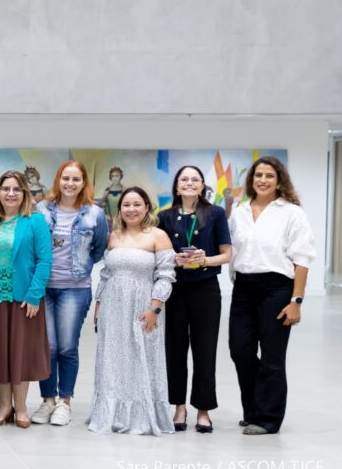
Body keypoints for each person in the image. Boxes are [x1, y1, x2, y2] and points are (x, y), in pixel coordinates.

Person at [228, 156, 314, 435]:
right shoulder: (239, 211)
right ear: (251, 179)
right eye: (258, 175)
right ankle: (254, 408)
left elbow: (302, 259)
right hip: (243, 287)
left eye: (269, 176)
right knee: (240, 350)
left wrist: (296, 301)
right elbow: (231, 250)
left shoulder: (292, 213)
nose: (262, 180)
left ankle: (267, 418)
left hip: (277, 288)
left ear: (279, 182)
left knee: (272, 356)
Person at [88, 187, 176, 435]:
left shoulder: (158, 236)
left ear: (147, 207)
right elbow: (106, 274)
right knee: (113, 359)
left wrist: (155, 307)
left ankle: (143, 415)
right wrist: (99, 304)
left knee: (142, 357)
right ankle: (111, 414)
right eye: (126, 205)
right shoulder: (114, 236)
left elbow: (166, 275)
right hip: (113, 307)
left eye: (137, 204)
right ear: (120, 209)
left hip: (144, 307)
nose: (131, 209)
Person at [31, 160, 109, 426]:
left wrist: (81, 267)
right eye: (66, 178)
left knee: (66, 346)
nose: (70, 183)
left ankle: (65, 402)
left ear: (84, 182)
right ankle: (47, 400)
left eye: (76, 179)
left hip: (75, 289)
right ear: (58, 180)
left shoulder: (95, 214)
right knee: (48, 347)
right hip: (44, 288)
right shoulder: (41, 209)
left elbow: (99, 249)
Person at [157, 165, 232, 434]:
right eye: (184, 179)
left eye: (195, 179)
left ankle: (203, 409)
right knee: (174, 349)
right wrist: (173, 260)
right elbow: (158, 253)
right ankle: (179, 407)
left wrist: (204, 260)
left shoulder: (215, 213)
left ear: (202, 186)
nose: (189, 183)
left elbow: (227, 254)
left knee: (205, 350)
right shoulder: (164, 217)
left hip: (205, 289)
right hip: (175, 290)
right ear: (177, 186)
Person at [0, 171, 51, 429]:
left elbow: (45, 260)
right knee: (0, 354)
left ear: (24, 193)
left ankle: (21, 407)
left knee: (21, 354)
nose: (11, 194)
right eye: (5, 189)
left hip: (24, 298)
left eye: (16, 189)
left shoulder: (35, 221)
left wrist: (34, 295)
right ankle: (4, 407)